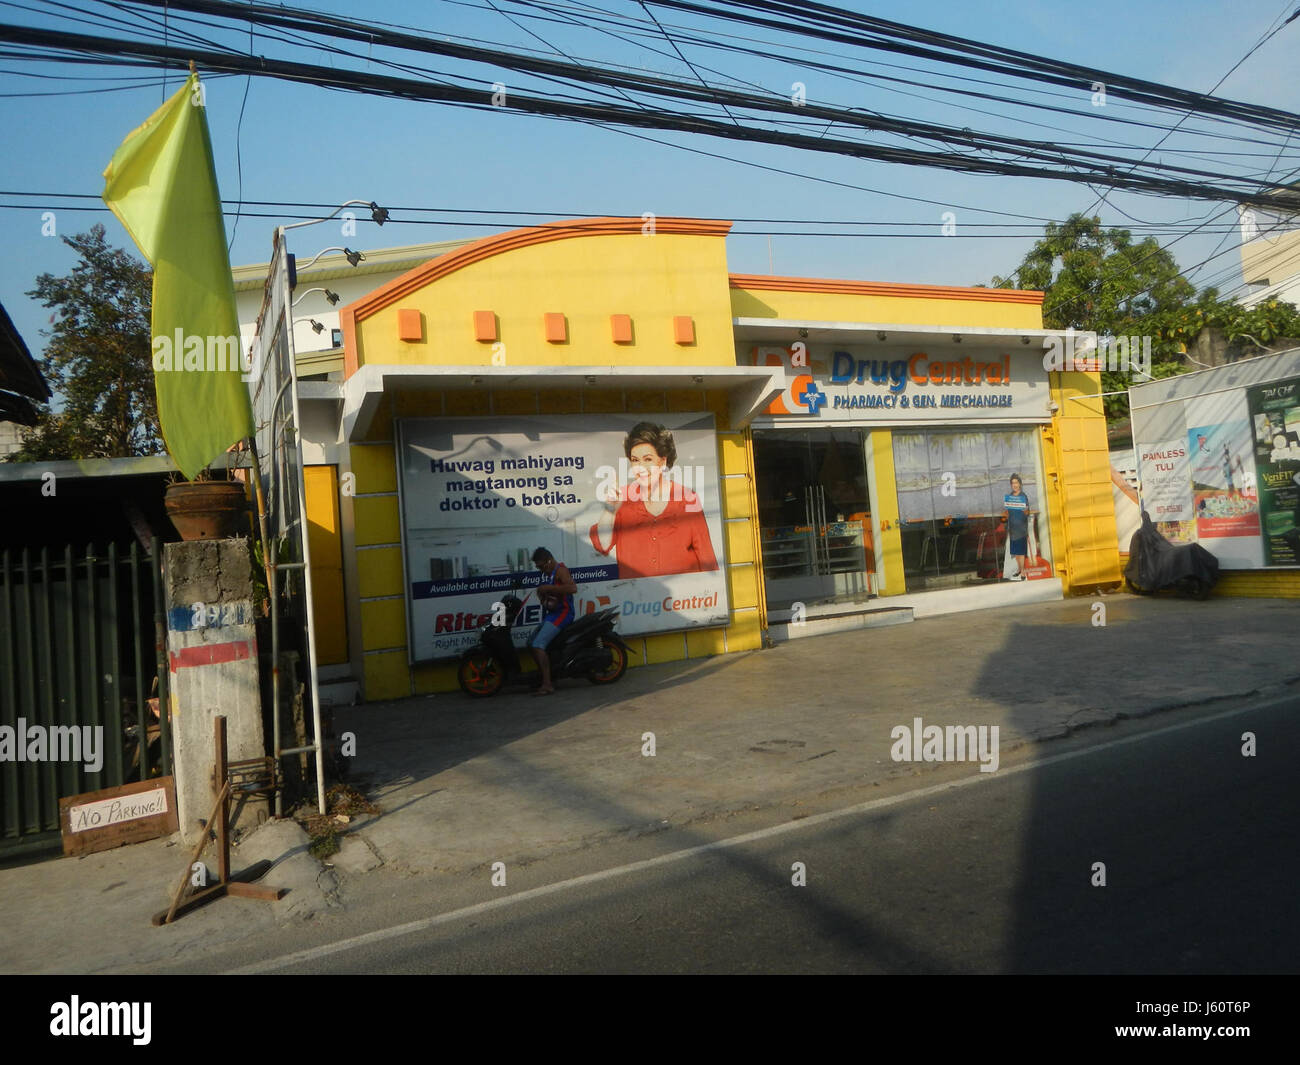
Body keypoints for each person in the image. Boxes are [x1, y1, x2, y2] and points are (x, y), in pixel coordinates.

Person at [590, 422, 719, 579]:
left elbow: (705, 555)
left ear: (663, 461)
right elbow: (602, 545)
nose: (640, 467)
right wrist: (610, 509)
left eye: (648, 459)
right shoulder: (622, 497)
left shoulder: (687, 498)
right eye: (635, 460)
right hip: (637, 600)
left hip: (682, 598)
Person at [529, 546, 576, 696]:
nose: (541, 570)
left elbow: (572, 588)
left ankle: (547, 684)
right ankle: (545, 677)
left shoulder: (561, 570)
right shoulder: (551, 573)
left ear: (549, 561)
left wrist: (549, 588)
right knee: (530, 643)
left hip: (564, 614)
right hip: (553, 614)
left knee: (538, 645)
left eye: (541, 566)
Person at [1000, 473, 1034, 581]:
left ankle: (1023, 572)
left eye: (1016, 483)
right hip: (1012, 528)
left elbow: (1027, 512)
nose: (1015, 485)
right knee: (1016, 552)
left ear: (1020, 484)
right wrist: (1005, 513)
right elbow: (1007, 513)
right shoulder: (1009, 497)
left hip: (1021, 528)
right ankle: (1020, 569)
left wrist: (1026, 511)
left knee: (1021, 551)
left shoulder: (1023, 496)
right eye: (1013, 483)